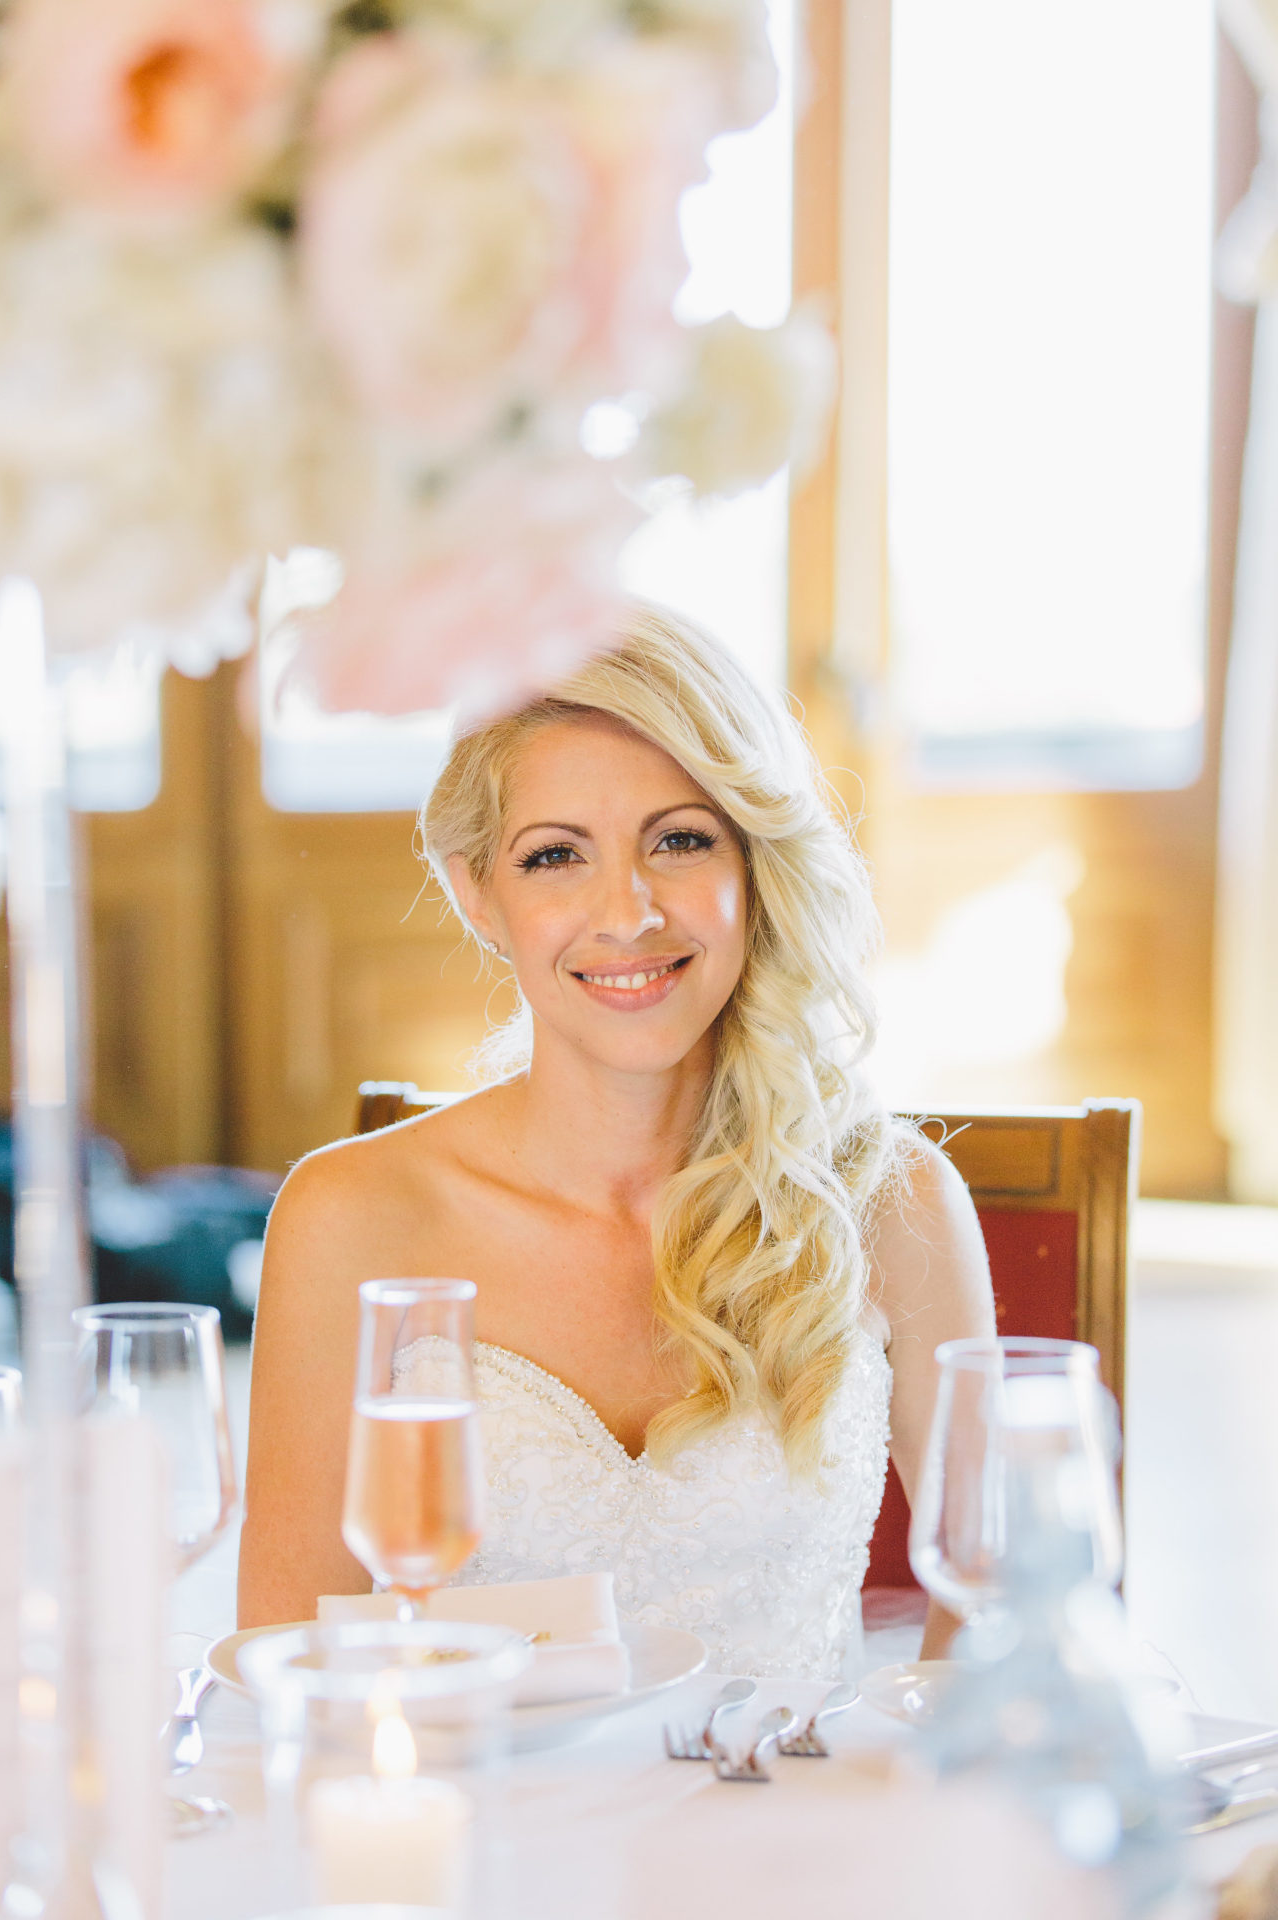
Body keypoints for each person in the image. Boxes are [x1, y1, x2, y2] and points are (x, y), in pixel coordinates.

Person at [238, 605, 994, 1674]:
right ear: (477, 896)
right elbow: (285, 1658)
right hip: (474, 1829)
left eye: (678, 840)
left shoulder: (893, 1200)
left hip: (798, 1829)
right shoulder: (351, 1220)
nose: (626, 912)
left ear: (753, 867)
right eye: (554, 857)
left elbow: (999, 1603)